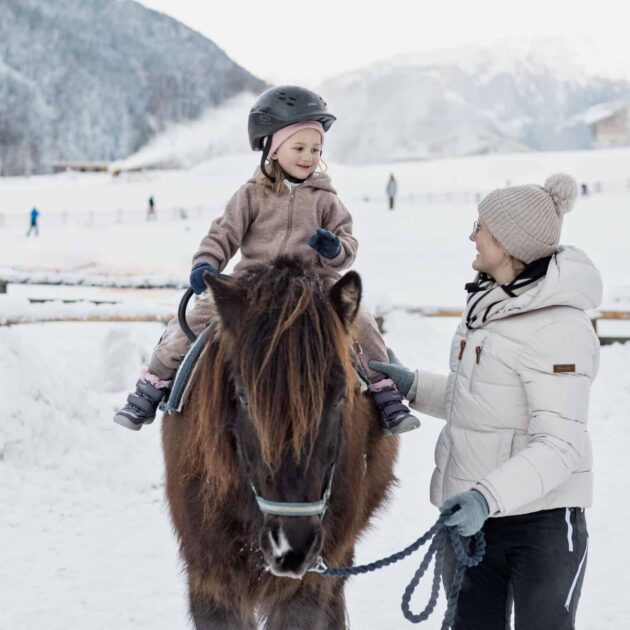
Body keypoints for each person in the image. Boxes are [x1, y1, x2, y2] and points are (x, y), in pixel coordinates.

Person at [114, 86, 419, 436]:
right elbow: (222, 234)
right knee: (193, 319)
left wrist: (334, 248)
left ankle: (383, 392)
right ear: (273, 150)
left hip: (314, 285)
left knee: (362, 324)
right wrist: (206, 263)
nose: (308, 157)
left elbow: (348, 244)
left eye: (315, 149)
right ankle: (153, 384)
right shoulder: (250, 195)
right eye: (299, 148)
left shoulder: (326, 199)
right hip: (253, 283)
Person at [370, 174, 601, 629]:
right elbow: (479, 403)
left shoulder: (559, 327)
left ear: (511, 243)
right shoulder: (490, 307)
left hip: (541, 527)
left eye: (481, 227)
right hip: (476, 522)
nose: (471, 236)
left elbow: (559, 446)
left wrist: (483, 497)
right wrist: (413, 385)